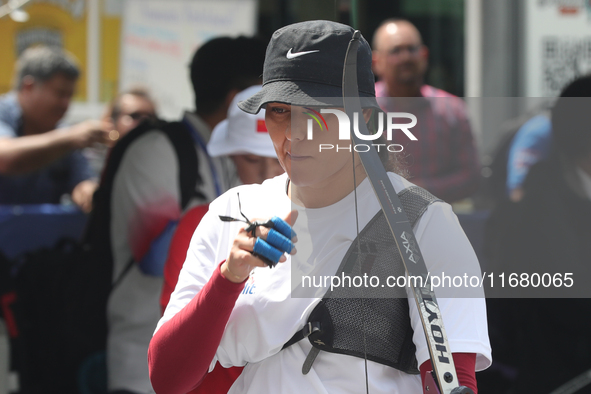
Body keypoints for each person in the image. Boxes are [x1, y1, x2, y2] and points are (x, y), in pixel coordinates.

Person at [149, 20, 491, 394]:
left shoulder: (424, 223)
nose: (294, 133)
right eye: (278, 110)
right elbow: (167, 379)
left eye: (315, 112)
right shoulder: (232, 211)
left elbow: (454, 382)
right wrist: (228, 278)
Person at [105, 36, 267, 394]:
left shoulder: (232, 152)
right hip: (144, 365)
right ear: (236, 100)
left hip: (210, 365)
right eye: (269, 95)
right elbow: (155, 258)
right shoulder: (158, 149)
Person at [158, 85, 283, 394]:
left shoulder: (336, 222)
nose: (268, 172)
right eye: (252, 159)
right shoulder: (199, 223)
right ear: (231, 157)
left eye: (277, 158)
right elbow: (178, 344)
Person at [371, 19, 480, 203]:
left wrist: (424, 190)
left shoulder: (451, 109)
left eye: (412, 49)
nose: (406, 57)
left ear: (424, 55)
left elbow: (471, 175)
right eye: (396, 51)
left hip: (436, 221)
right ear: (376, 61)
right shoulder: (359, 109)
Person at [0, 46, 111, 212]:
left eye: (70, 96)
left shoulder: (65, 136)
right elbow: (5, 159)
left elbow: (83, 183)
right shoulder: (66, 137)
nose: (66, 104)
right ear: (29, 87)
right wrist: (69, 138)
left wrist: (89, 193)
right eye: (60, 94)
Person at [85, 88, 158, 177]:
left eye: (150, 118)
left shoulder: (163, 164)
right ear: (111, 124)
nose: (144, 123)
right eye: (135, 116)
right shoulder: (91, 163)